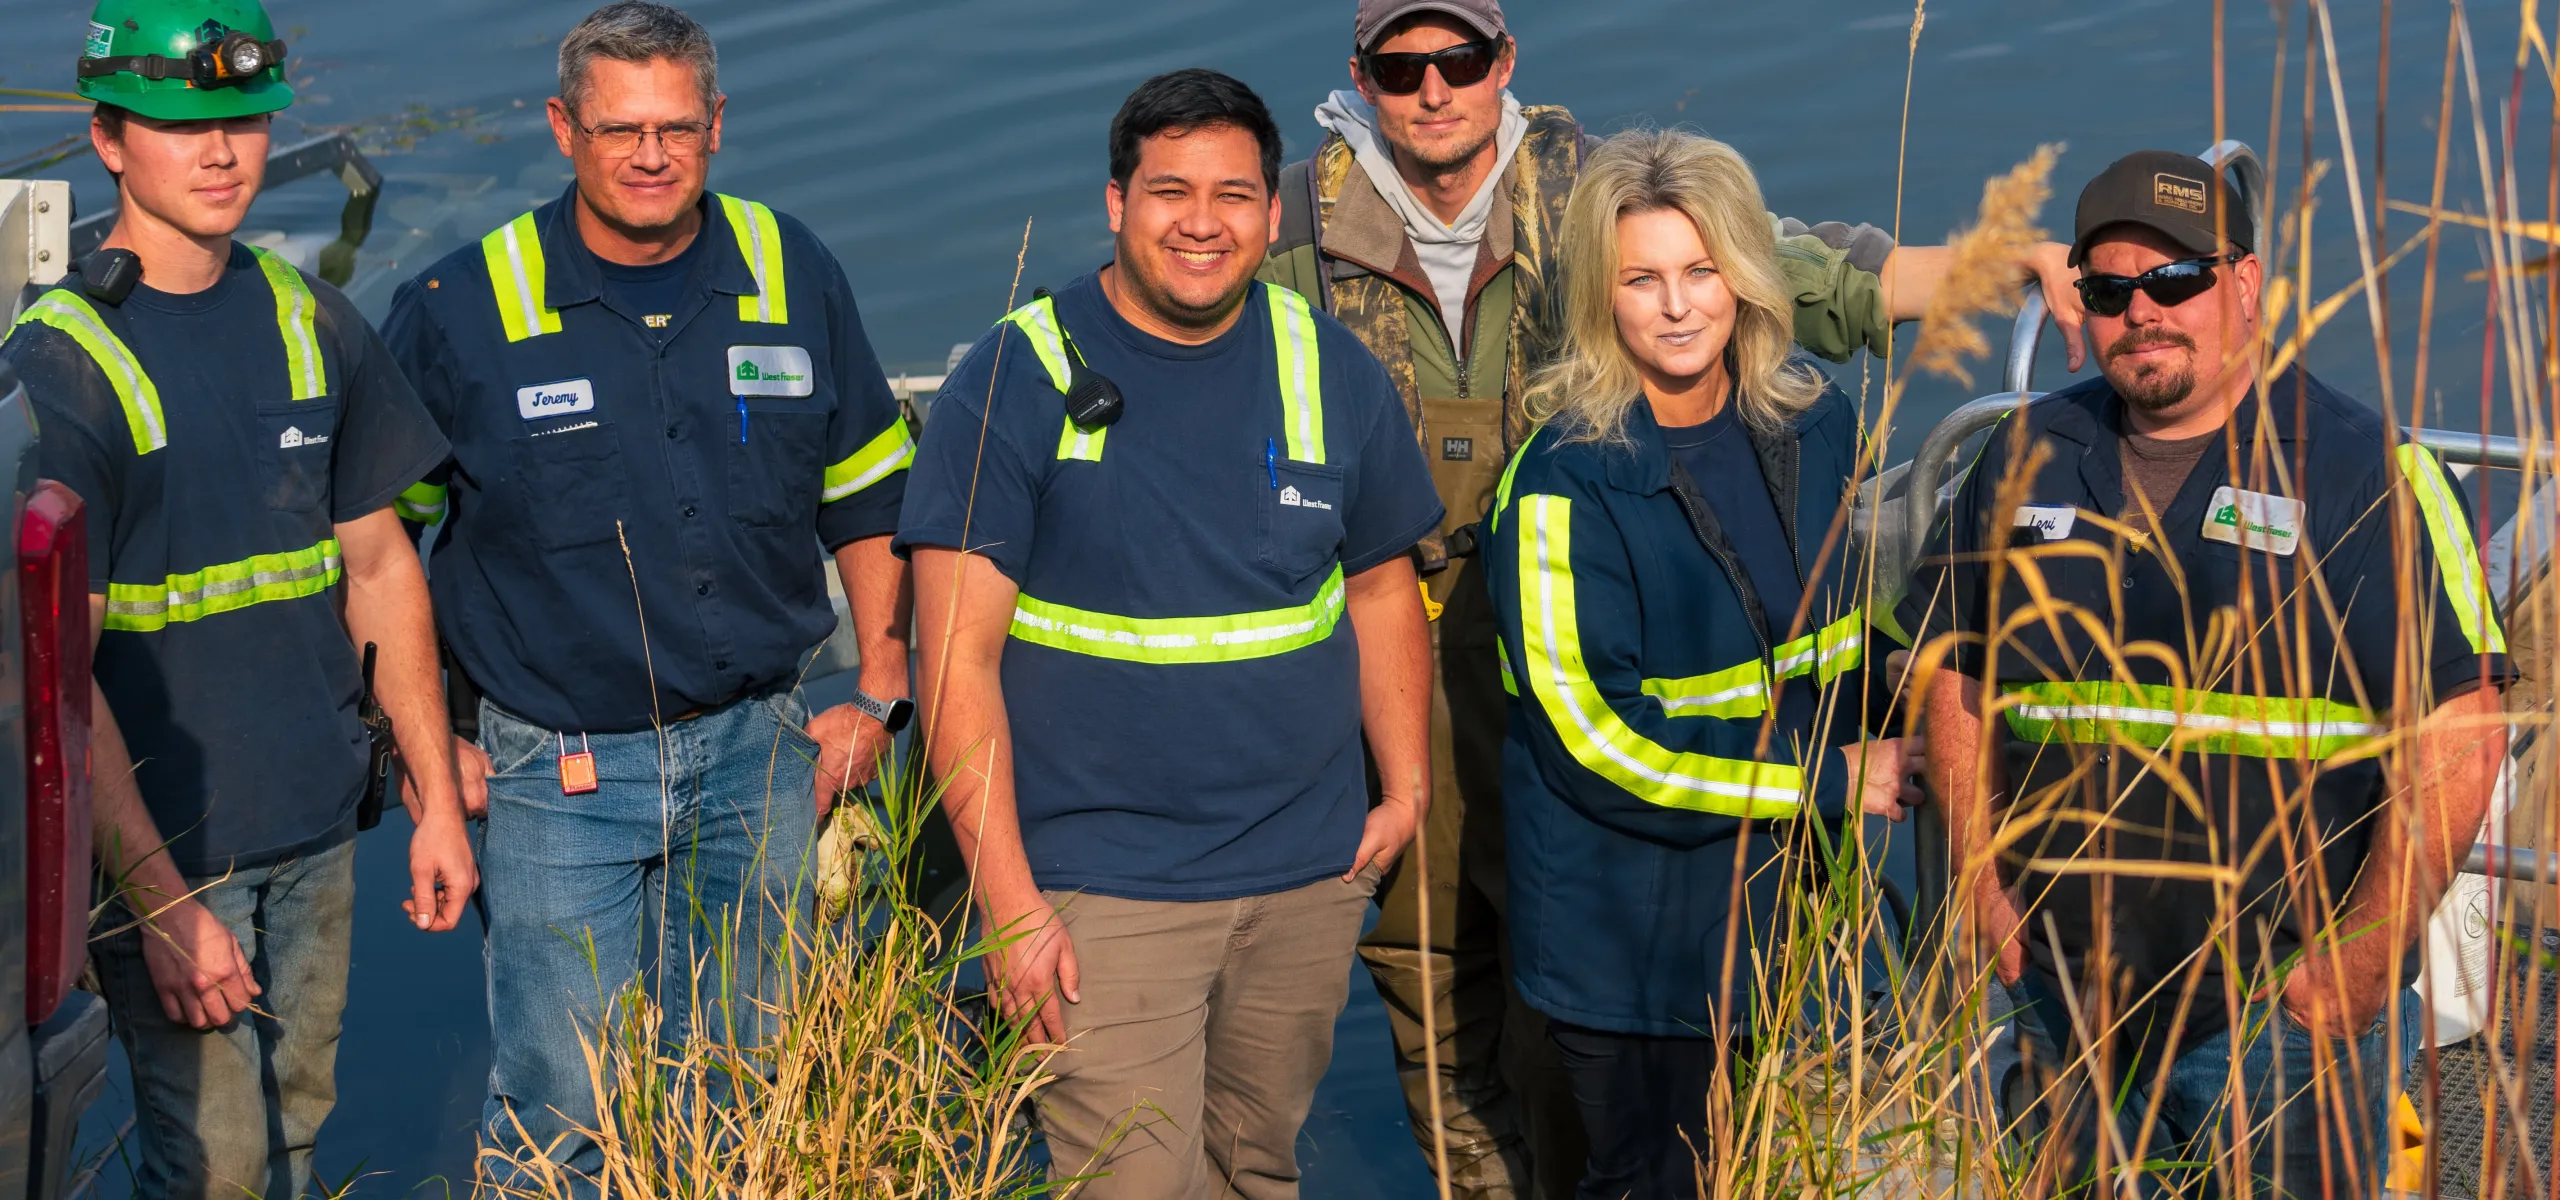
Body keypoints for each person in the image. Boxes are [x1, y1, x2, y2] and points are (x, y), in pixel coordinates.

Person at [1257, 3, 2087, 1192]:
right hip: (1381, 644)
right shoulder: (1285, 219)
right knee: (1428, 961)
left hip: (1567, 617)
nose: (1433, 89)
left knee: (1567, 973)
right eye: (1402, 66)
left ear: (1505, 64)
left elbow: (1791, 271)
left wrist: (2012, 259)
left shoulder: (1594, 189)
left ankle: (1578, 1163)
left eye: (1462, 59)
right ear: (1362, 78)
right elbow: (1175, 319)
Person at [1901, 150, 2512, 1198]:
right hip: (2062, 1002)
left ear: (2243, 283)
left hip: (2274, 1021)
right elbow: (1955, 677)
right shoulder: (2023, 454)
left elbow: (2461, 733)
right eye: (2108, 290)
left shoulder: (2371, 475)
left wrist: (2357, 967)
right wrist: (1983, 898)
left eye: (2175, 280)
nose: (2142, 312)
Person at [378, 2, 915, 1189]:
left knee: (749, 1078)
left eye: (678, 126)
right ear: (563, 129)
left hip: (765, 755)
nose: (651, 154)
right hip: (555, 775)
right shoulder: (457, 311)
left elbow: (870, 498)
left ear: (718, 125)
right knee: (559, 1104)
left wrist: (879, 695)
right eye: (620, 129)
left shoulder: (793, 269)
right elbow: (374, 565)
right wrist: (422, 757)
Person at [899, 69, 1443, 1198]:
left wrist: (1403, 794)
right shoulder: (1018, 376)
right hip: (1099, 886)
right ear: (1115, 203)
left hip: (1304, 873)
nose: (1203, 224)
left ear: (1271, 211)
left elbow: (1383, 587)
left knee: (1256, 1169)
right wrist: (1008, 905)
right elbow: (955, 659)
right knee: (1132, 1183)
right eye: (1169, 192)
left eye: (1235, 194)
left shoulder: (1329, 367)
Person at [1, 1, 476, 1195]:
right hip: (173, 852)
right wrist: (159, 908)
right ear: (109, 142)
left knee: (294, 1135)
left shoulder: (309, 314)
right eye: (179, 126)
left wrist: (434, 798)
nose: (220, 152)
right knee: (212, 1168)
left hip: (314, 820)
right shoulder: (61, 365)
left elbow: (378, 569)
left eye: (243, 121)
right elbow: (53, 676)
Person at [1483, 129, 1918, 1199]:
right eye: (1642, 279)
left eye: (1701, 270)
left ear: (1745, 276)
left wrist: (1920, 682)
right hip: (1632, 947)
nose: (1678, 306)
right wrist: (1824, 782)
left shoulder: (1812, 421)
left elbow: (1838, 624)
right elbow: (1595, 744)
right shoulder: (1559, 487)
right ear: (1602, 295)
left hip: (1789, 917)